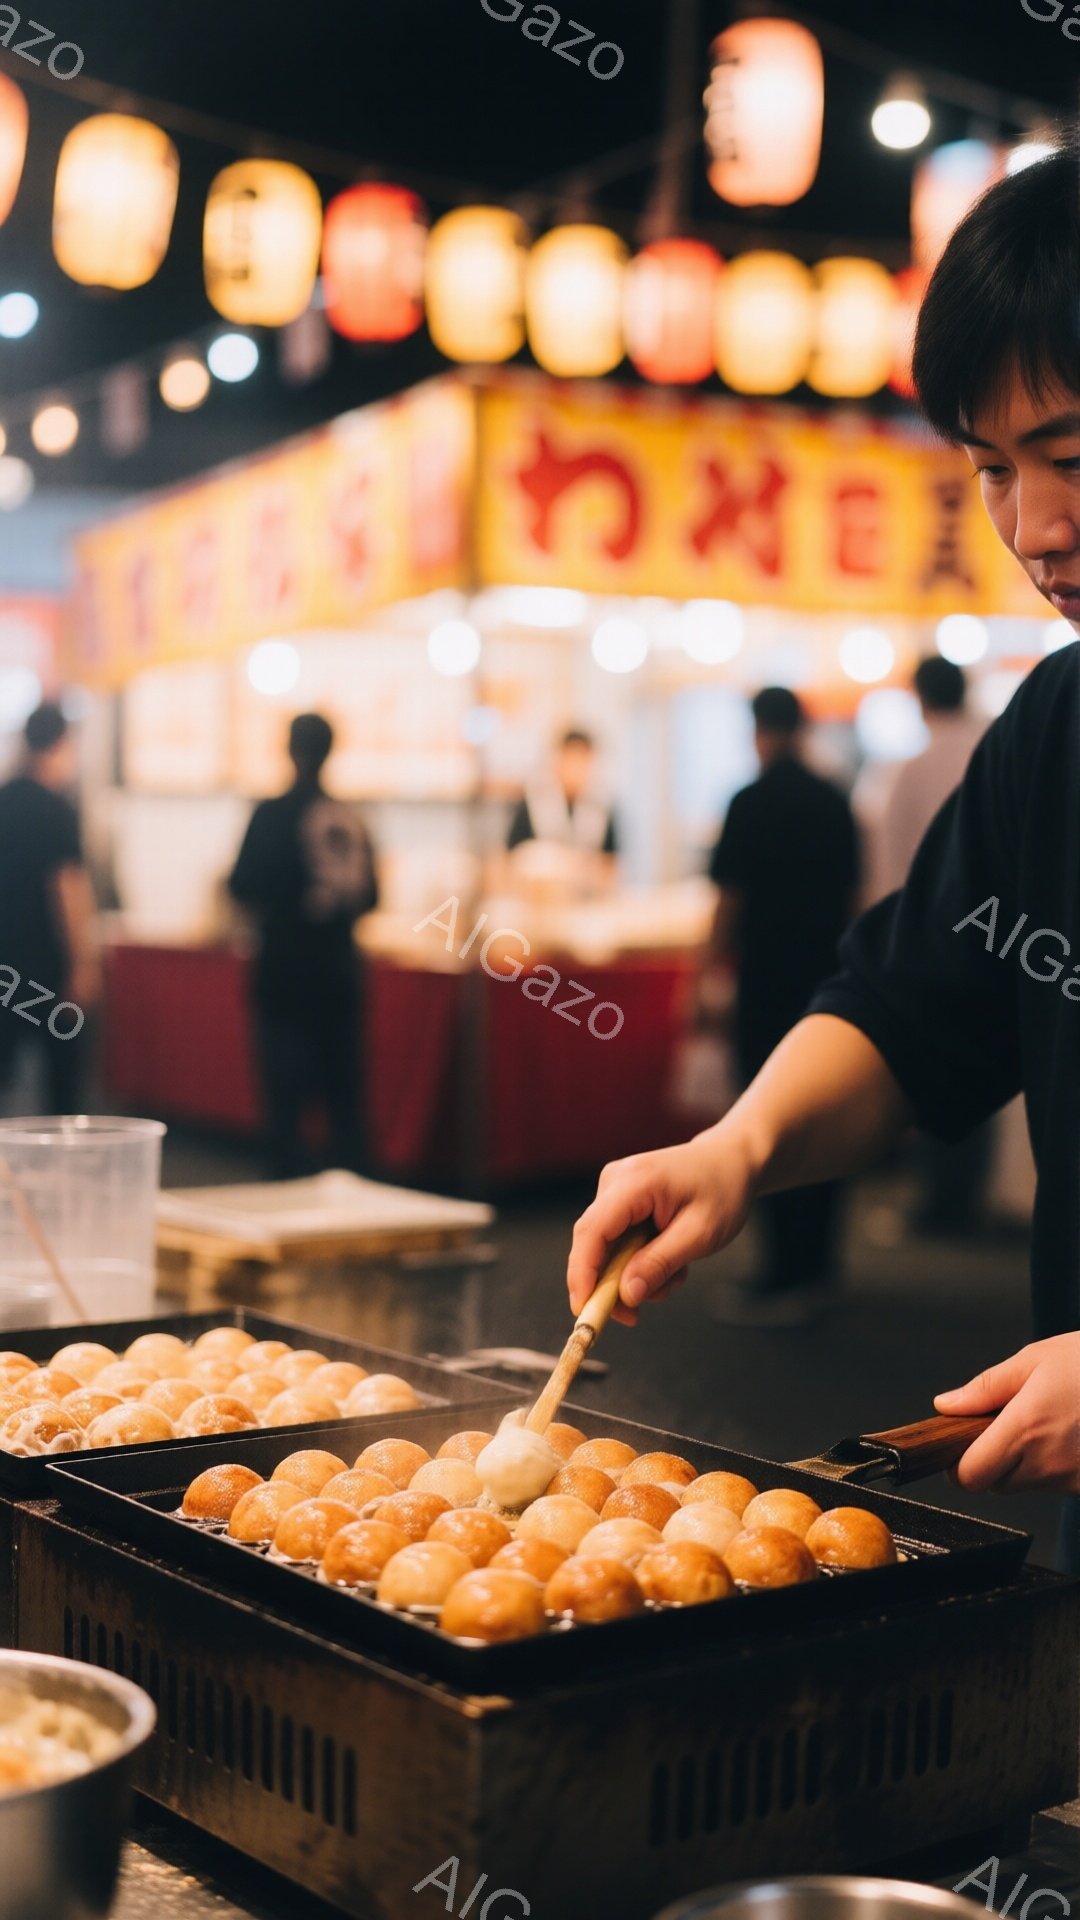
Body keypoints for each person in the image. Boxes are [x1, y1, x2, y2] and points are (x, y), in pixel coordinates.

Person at [566, 142, 1080, 1557]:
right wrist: (737, 1149)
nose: (1034, 529)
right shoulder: (1057, 728)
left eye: (1070, 459)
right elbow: (912, 1012)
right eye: (990, 469)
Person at [703, 687, 859, 1321]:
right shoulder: (834, 800)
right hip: (828, 982)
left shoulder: (749, 801)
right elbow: (856, 896)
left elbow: (729, 900)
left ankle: (780, 1270)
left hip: (765, 981)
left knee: (763, 1117)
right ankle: (817, 1265)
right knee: (825, 1114)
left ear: (758, 731)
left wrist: (705, 976)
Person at [868, 658, 992, 1236]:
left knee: (934, 1063)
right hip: (1007, 934)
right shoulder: (991, 751)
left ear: (920, 698)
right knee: (990, 1062)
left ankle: (940, 1198)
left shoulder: (913, 769)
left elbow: (893, 868)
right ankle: (965, 1196)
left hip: (938, 936)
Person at [228, 712, 378, 1180]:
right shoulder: (351, 817)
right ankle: (352, 1196)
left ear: (289, 749)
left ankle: (287, 1192)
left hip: (285, 978)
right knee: (343, 1105)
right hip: (340, 975)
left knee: (285, 1108)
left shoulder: (272, 815)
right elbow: (371, 896)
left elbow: (242, 885)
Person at [0, 702, 98, 1112]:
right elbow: (68, 888)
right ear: (61, 744)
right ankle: (60, 1149)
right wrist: (84, 964)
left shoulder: (3, 800)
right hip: (45, 971)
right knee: (63, 1076)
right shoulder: (57, 810)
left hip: (5, 973)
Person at [506, 728, 617, 894]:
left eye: (582, 761)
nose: (576, 770)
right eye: (571, 760)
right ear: (557, 760)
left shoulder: (601, 807)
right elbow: (511, 859)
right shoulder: (533, 801)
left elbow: (611, 867)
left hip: (586, 897)